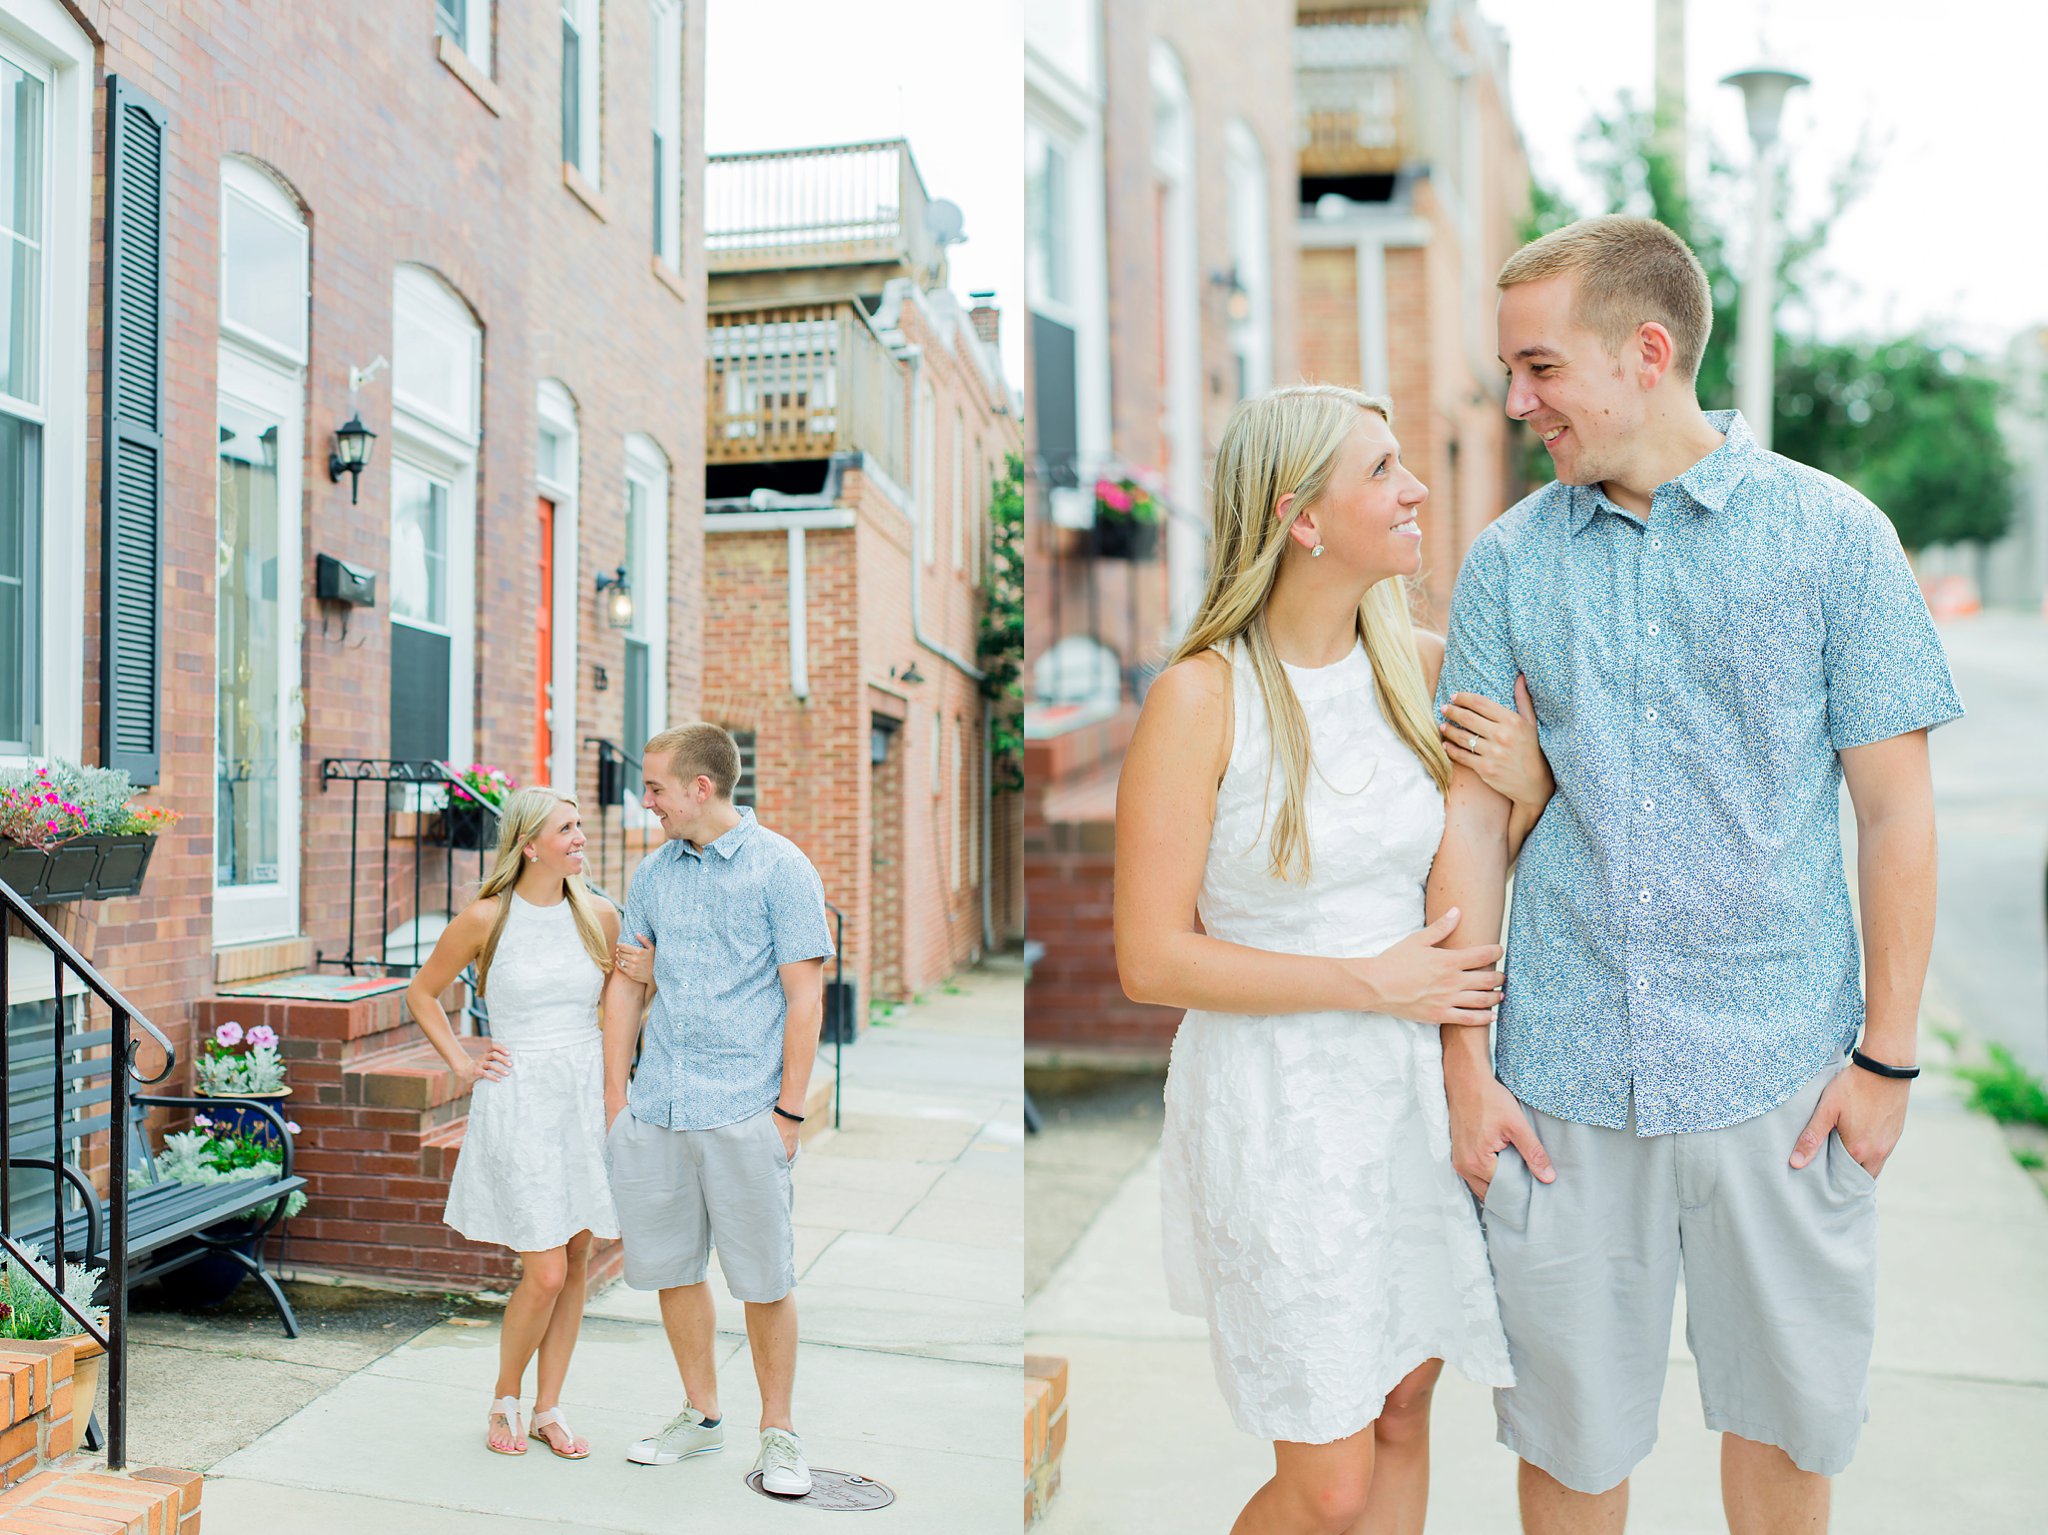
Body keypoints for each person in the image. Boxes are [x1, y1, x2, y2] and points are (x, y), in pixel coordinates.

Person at [1430, 214, 1962, 1535]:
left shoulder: (1836, 539)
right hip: (1558, 1085)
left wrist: (1885, 1062)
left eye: (1541, 367)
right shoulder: (1505, 561)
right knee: (1567, 1444)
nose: (1518, 402)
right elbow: (1472, 824)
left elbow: (1896, 815)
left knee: (1786, 1437)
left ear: (1647, 350)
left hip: (1780, 1074)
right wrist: (1465, 1069)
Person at [1114, 384, 1558, 1535]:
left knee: (1405, 1409)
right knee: (1328, 1481)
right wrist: (1372, 981)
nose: (1413, 488)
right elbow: (1150, 958)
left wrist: (1532, 786)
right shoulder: (1199, 695)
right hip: (1278, 1106)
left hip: (1408, 1092)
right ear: (1298, 515)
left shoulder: (1423, 666)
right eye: (1381, 469)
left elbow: (1496, 849)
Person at [599, 723, 833, 1499]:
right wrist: (615, 1103)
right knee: (672, 1269)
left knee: (763, 1278)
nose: (647, 799)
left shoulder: (782, 868)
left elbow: (805, 998)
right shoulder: (653, 873)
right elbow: (627, 985)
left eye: (657, 785)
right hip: (659, 1105)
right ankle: (703, 1417)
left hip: (744, 1108)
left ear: (702, 787)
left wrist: (789, 1116)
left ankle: (781, 1431)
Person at [407, 787, 621, 1460]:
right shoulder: (486, 917)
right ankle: (505, 1396)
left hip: (582, 1093)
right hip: (520, 1095)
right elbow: (421, 991)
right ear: (530, 843)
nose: (580, 836)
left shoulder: (600, 915)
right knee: (547, 1269)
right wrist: (463, 1061)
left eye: (581, 825)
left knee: (578, 1255)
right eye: (567, 827)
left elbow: (621, 1000)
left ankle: (549, 1405)